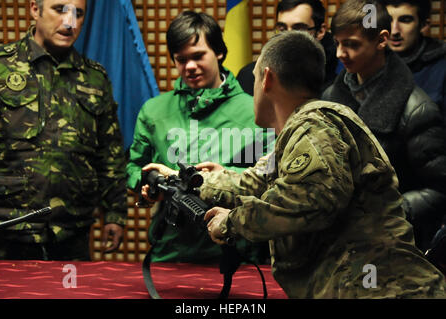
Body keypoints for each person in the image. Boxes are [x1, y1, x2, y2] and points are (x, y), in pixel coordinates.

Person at [141, 30, 446, 298]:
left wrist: (233, 222)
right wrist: (187, 181)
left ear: (268, 78)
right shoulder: (299, 133)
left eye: (256, 80)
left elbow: (307, 200)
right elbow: (253, 183)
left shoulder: (315, 125)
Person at [127, 11, 271, 264]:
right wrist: (148, 186)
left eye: (197, 56)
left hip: (237, 255)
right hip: (170, 253)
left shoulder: (255, 110)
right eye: (181, 59)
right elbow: (134, 166)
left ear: (219, 52)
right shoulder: (153, 111)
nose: (189, 67)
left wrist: (223, 177)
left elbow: (272, 179)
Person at [0, 0, 127, 261]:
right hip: (7, 229)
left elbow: (109, 153)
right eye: (60, 10)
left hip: (72, 232)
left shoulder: (94, 78)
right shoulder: (0, 68)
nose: (70, 23)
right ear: (35, 9)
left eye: (78, 14)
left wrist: (115, 213)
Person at [322, 0, 446, 253]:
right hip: (336, 246)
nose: (339, 54)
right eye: (338, 43)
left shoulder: (416, 109)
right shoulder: (329, 99)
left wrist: (390, 210)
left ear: (381, 40)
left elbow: (440, 189)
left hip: (395, 247)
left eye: (352, 45)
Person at [237, 0, 340, 95]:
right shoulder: (250, 77)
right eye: (282, 29)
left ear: (320, 31)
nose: (288, 36)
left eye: (299, 29)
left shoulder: (337, 87)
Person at [383, 0, 445, 122]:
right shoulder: (367, 63)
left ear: (424, 25)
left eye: (405, 20)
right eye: (388, 20)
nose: (394, 31)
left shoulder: (441, 66)